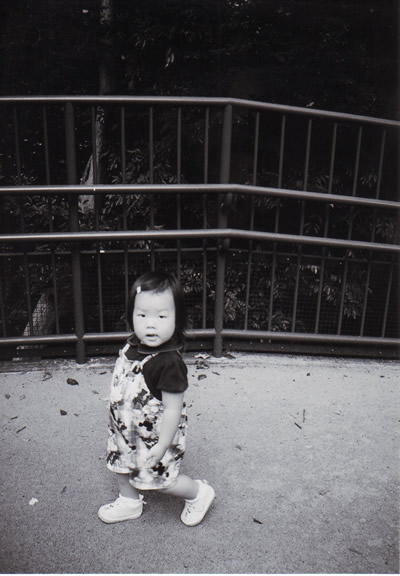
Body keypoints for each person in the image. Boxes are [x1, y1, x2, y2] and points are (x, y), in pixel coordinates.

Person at [98, 271, 215, 526]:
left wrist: (162, 445)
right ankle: (129, 501)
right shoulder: (131, 346)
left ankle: (198, 493)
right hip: (124, 429)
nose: (151, 324)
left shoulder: (169, 363)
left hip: (155, 437)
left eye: (161, 317)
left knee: (162, 480)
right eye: (142, 315)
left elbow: (173, 409)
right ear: (131, 315)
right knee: (121, 465)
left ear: (177, 319)